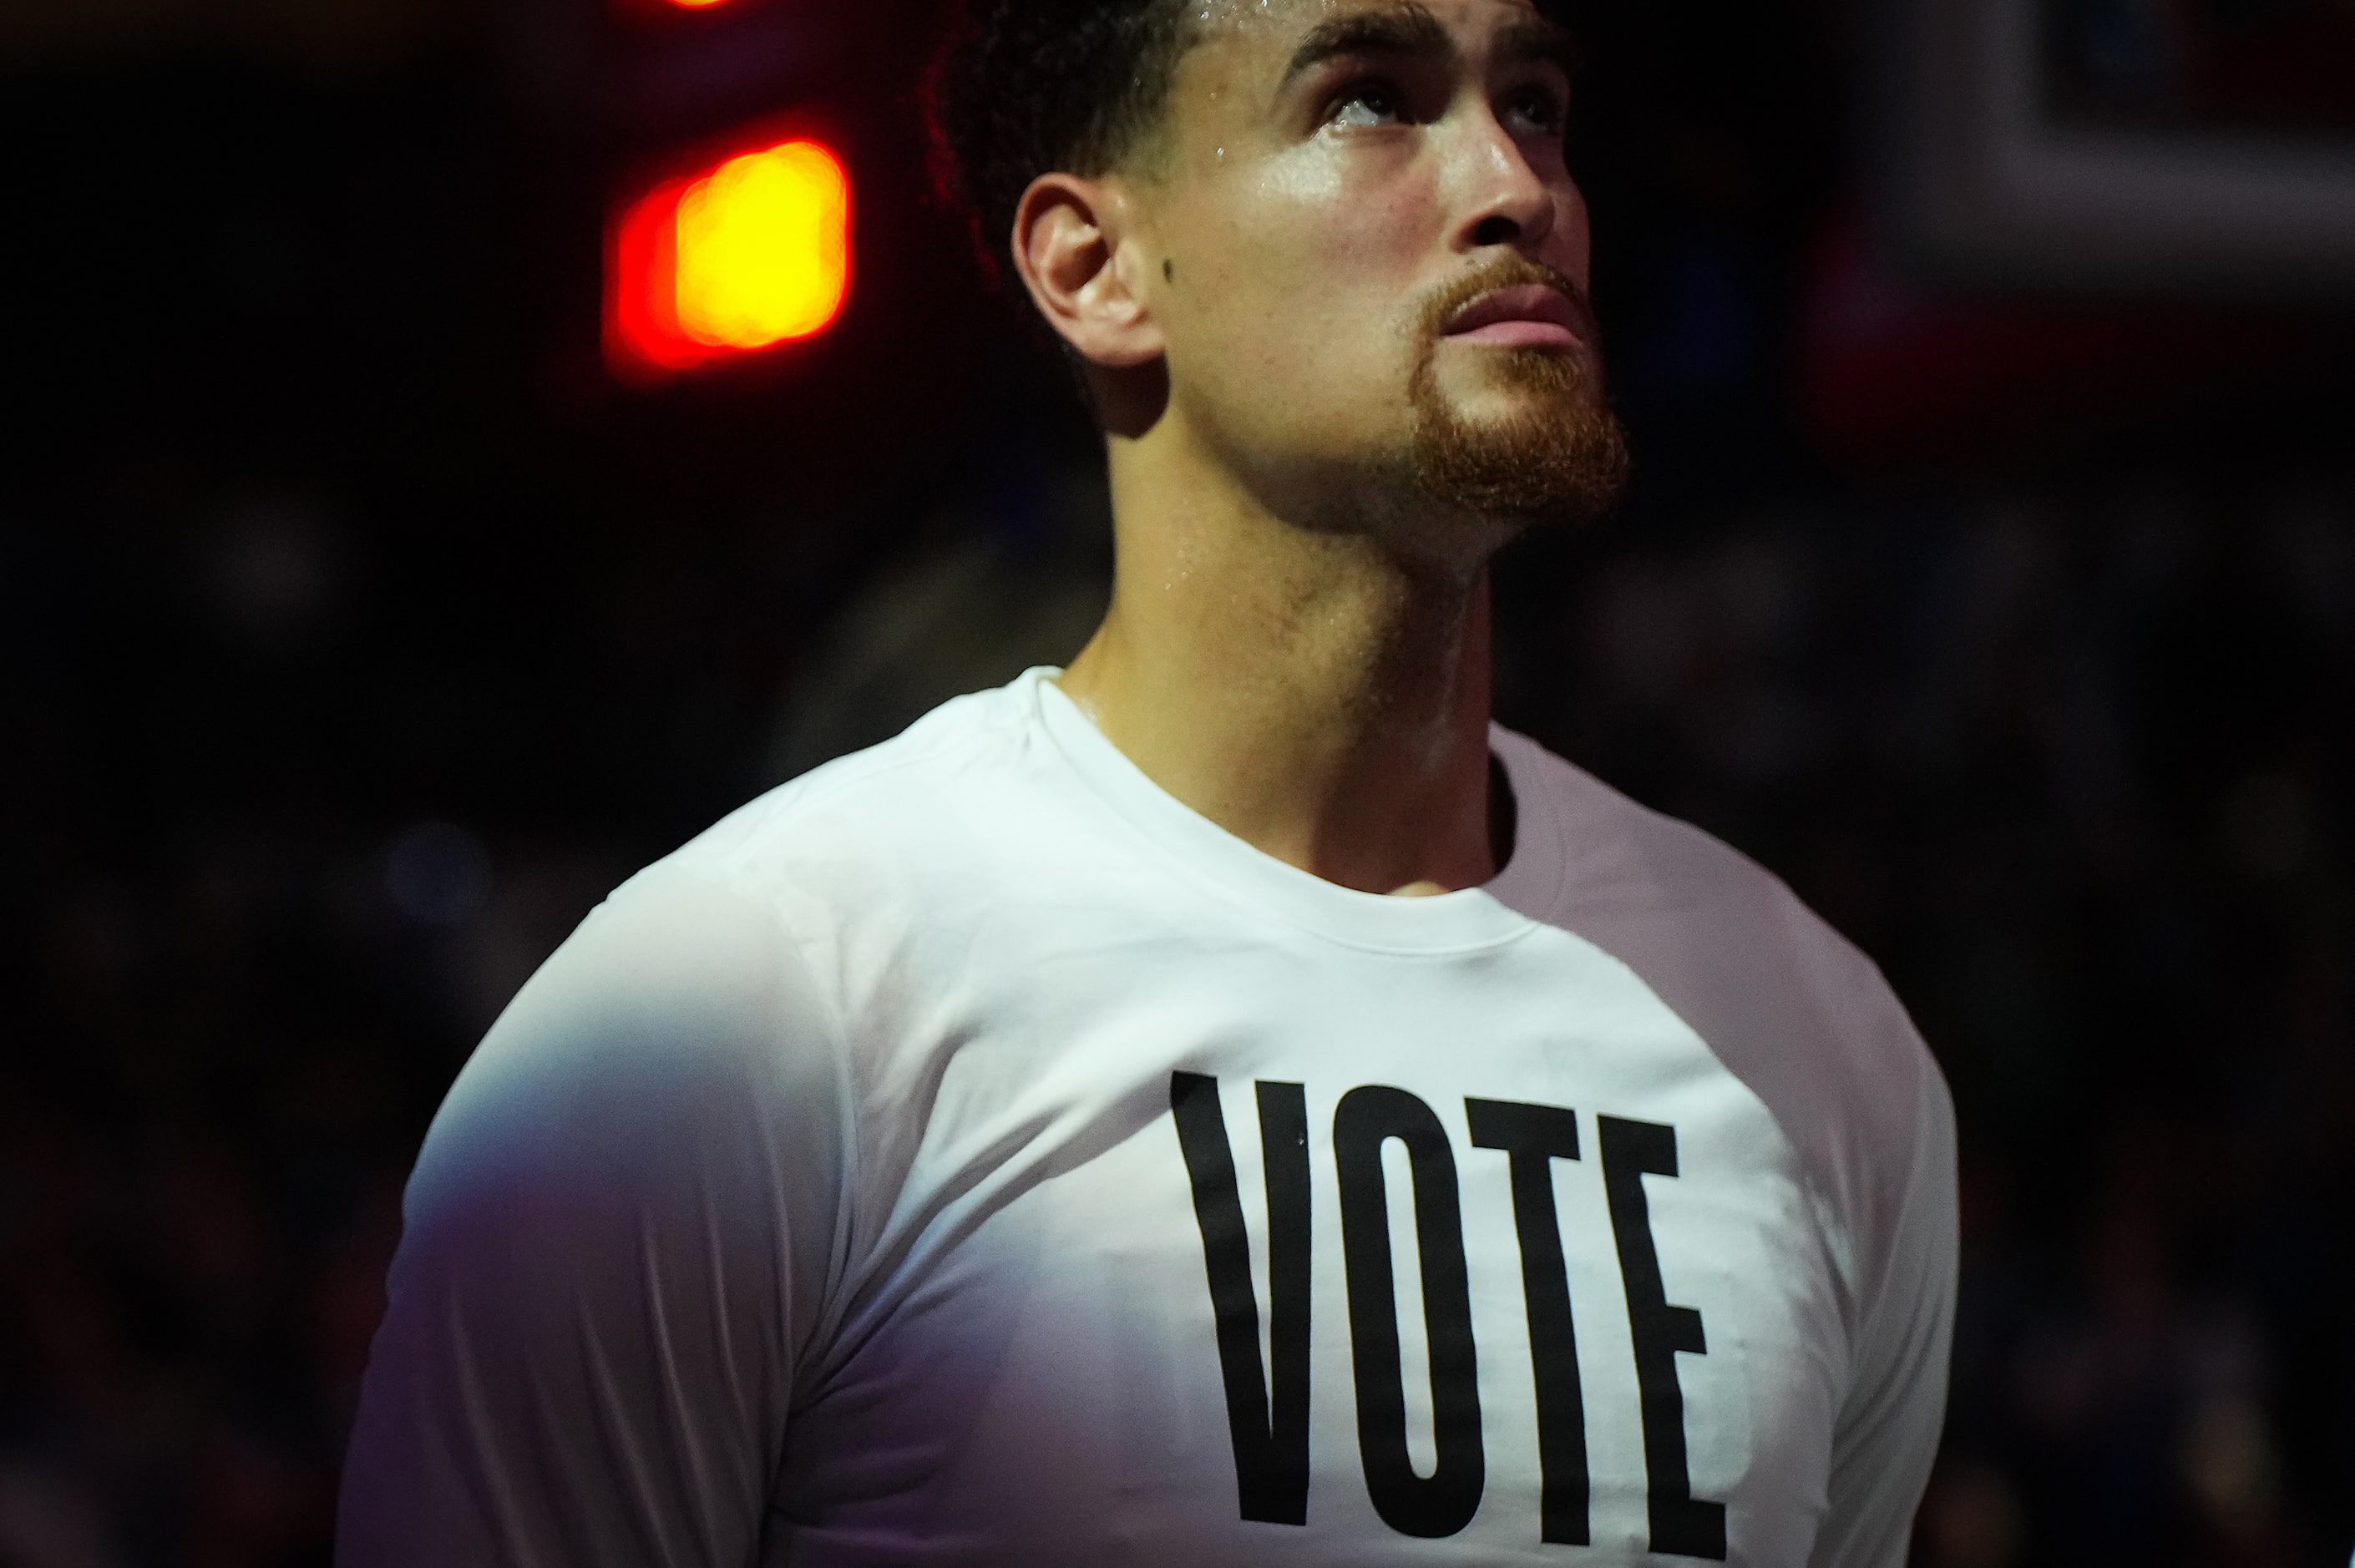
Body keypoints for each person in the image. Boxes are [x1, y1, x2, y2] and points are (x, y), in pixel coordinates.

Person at [337, 0, 1957, 1560]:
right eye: (1370, 99)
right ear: (1094, 268)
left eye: (1531, 103)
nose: (1513, 187)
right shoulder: (726, 1017)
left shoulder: (1815, 1044)